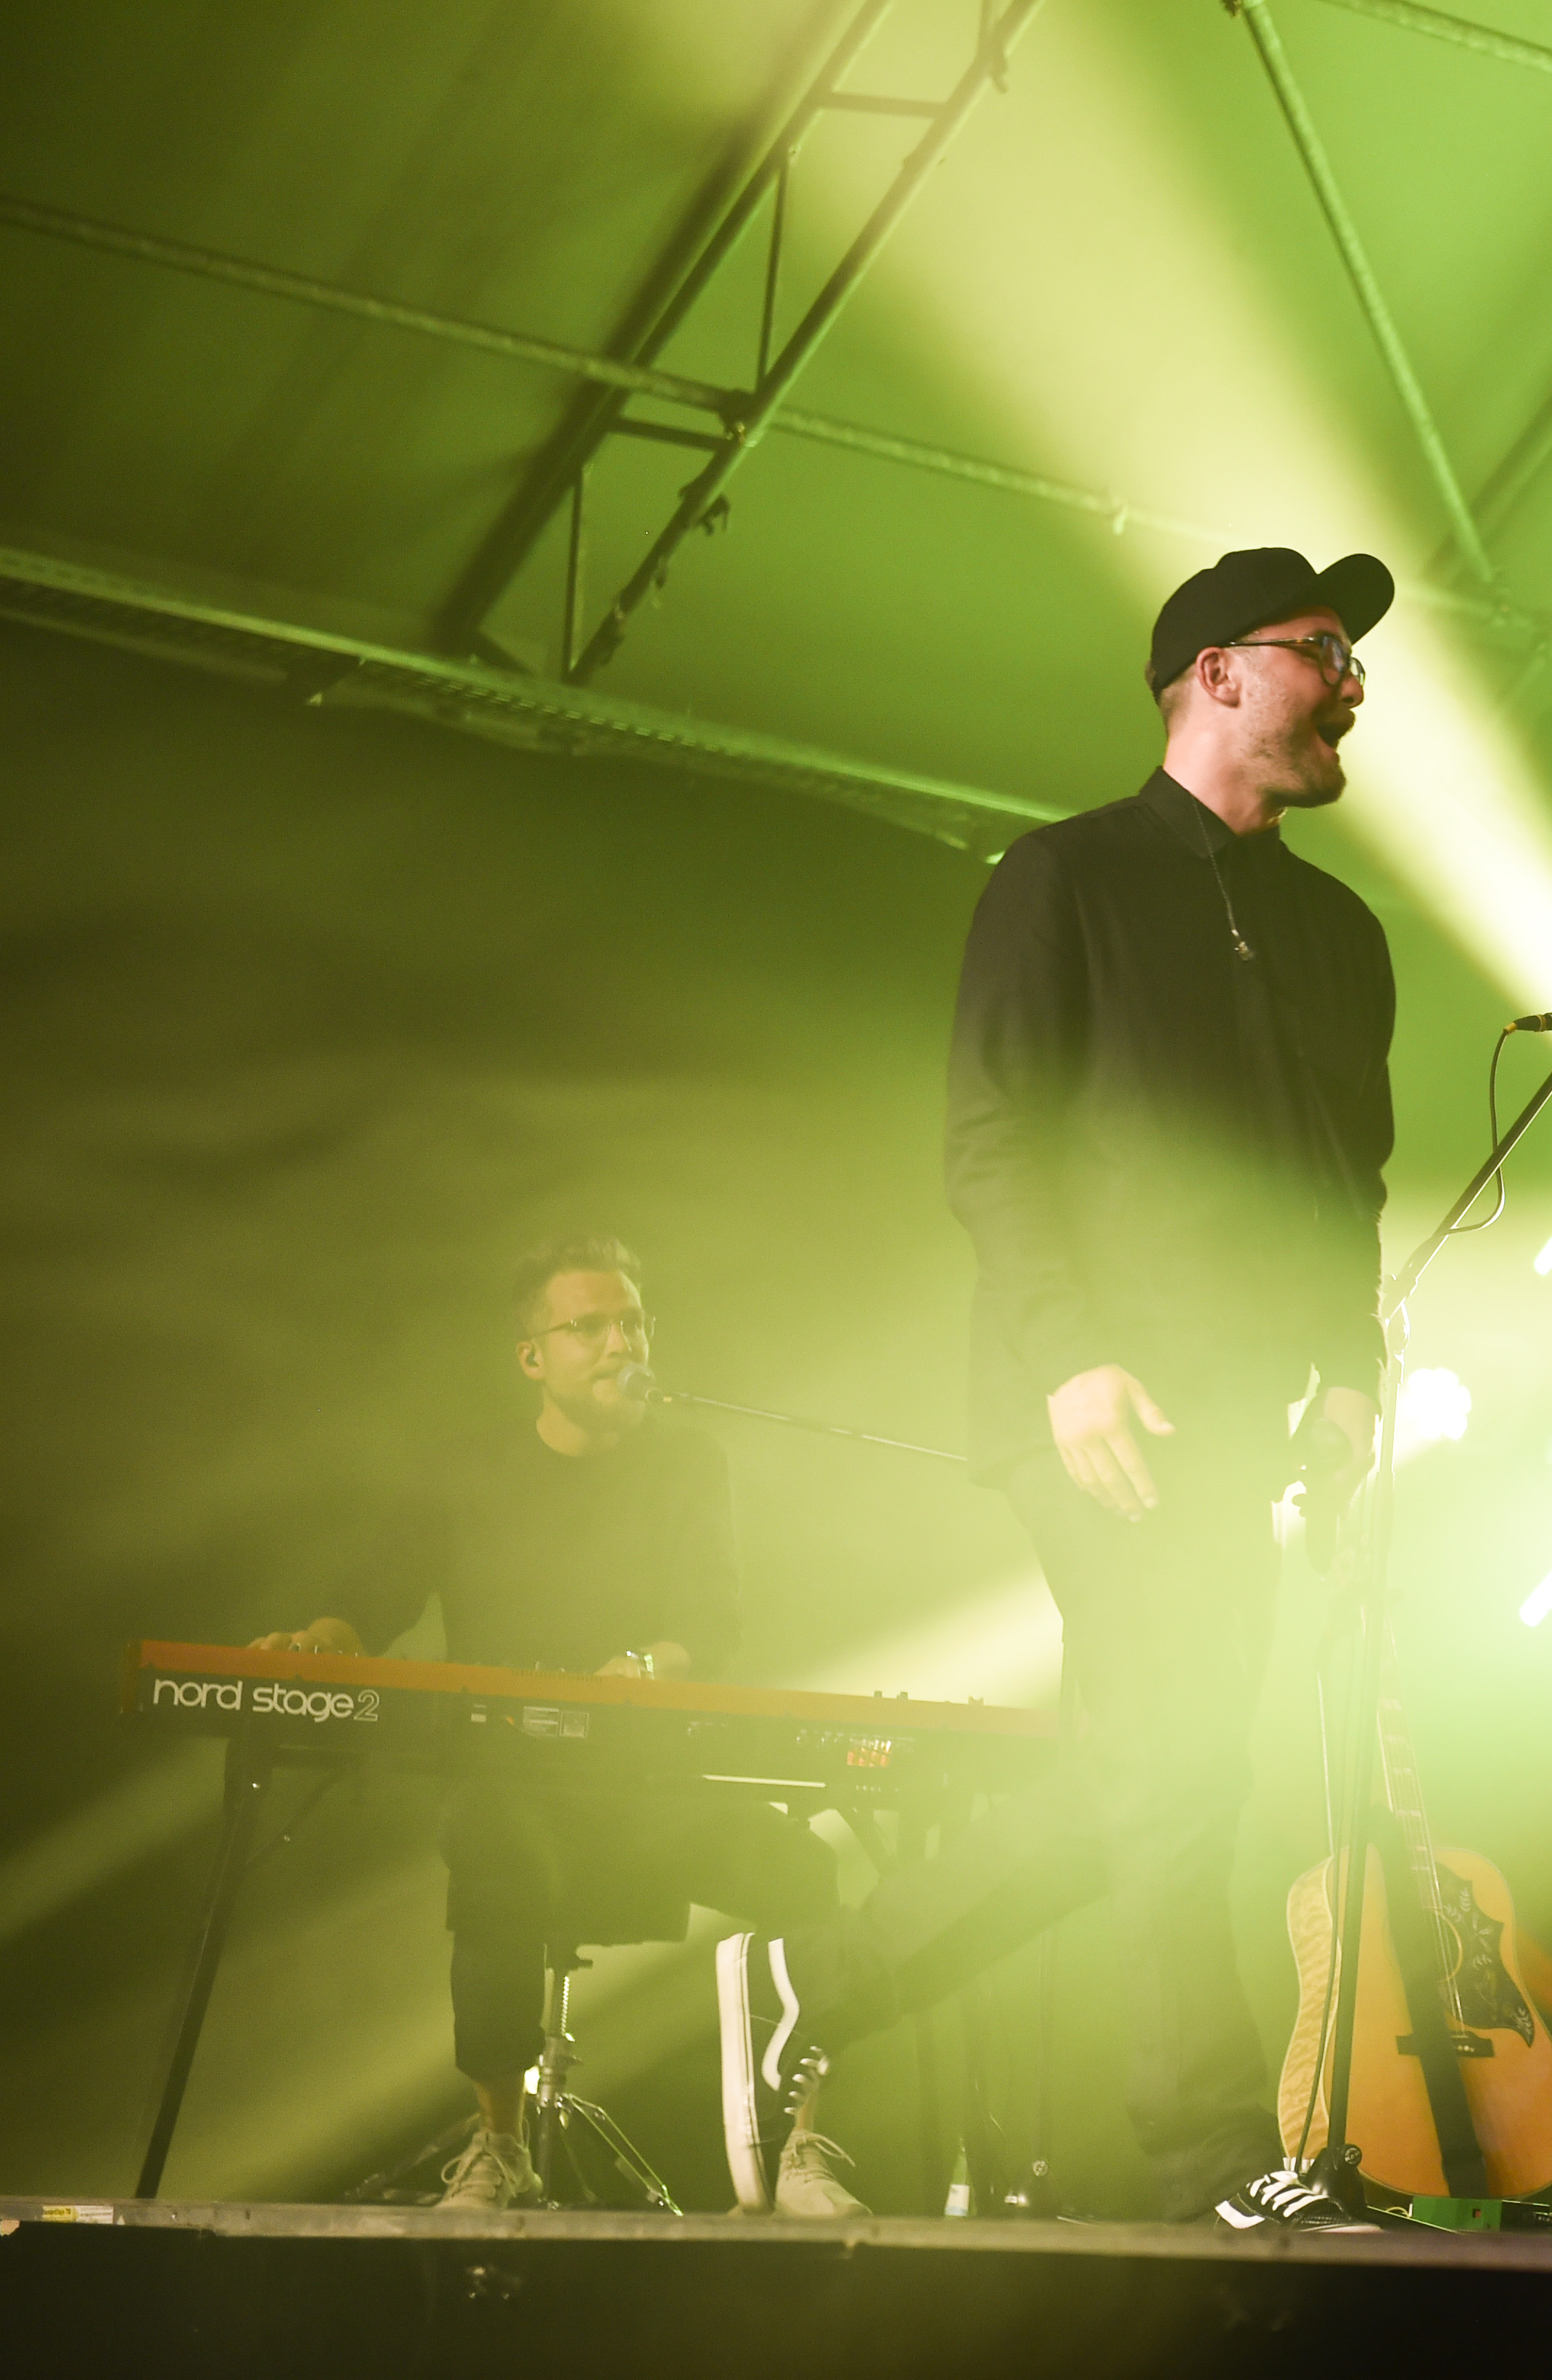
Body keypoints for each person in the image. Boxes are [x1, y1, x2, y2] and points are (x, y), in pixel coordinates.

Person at [712, 549, 1395, 2231]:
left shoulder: (1336, 930)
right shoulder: (1062, 877)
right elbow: (993, 1134)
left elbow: (1346, 1181)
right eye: (1326, 652)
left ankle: (821, 1973)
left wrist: (1348, 1369)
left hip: (1242, 1407)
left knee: (1156, 1775)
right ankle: (1212, 2157)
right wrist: (1072, 1349)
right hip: (1080, 1394)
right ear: (1216, 674)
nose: (1357, 685)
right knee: (1172, 1770)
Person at [254, 1236, 858, 2215]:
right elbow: (379, 1590)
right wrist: (322, 1641)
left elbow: (714, 1618)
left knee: (808, 1872)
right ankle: (499, 2148)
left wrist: (649, 1669)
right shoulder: (466, 1471)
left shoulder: (691, 1461)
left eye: (633, 1322)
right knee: (489, 1838)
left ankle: (800, 2149)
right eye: (590, 1326)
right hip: (515, 1794)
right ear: (534, 1356)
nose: (620, 1341)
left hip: (655, 1790)